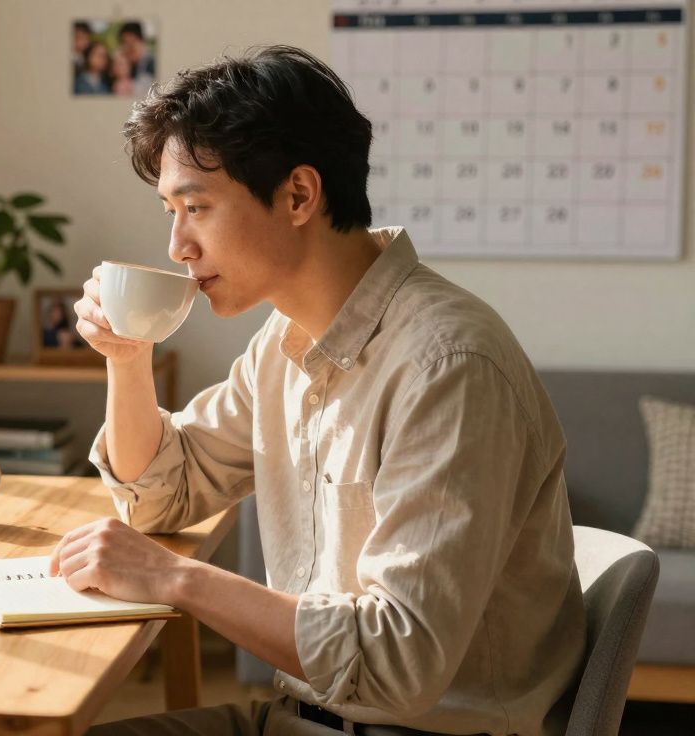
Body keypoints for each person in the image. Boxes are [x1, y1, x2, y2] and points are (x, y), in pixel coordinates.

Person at [54, 46, 586, 736]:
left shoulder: (448, 366)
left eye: (196, 208)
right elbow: (162, 495)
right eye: (169, 211)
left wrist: (174, 580)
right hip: (301, 716)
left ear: (299, 195)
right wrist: (127, 357)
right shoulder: (286, 343)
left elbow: (399, 663)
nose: (177, 245)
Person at [117, 21, 156, 97]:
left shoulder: (152, 64)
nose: (128, 48)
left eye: (132, 43)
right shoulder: (128, 67)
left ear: (142, 41)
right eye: (125, 43)